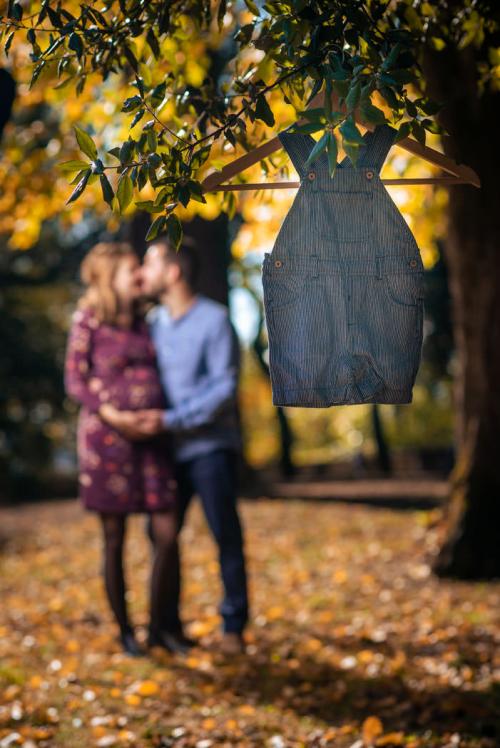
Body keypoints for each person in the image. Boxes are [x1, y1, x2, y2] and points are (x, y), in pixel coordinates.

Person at [64, 241, 179, 657]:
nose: (138, 276)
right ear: (111, 275)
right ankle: (126, 631)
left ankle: (156, 625)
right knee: (114, 537)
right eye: (132, 269)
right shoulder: (88, 319)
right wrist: (115, 416)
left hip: (153, 443)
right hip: (106, 442)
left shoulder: (147, 320)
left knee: (166, 532)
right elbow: (75, 381)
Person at [138, 237, 249, 655]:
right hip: (165, 453)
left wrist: (170, 420)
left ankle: (233, 628)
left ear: (174, 271)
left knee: (225, 535)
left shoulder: (215, 320)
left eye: (150, 264)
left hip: (209, 450)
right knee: (162, 538)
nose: (142, 273)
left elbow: (224, 387)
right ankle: (168, 627)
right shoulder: (151, 325)